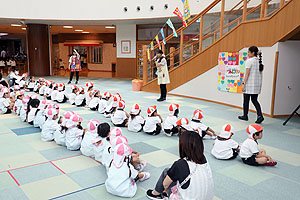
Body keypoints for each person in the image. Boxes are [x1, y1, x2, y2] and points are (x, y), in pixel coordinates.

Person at [146, 130, 214, 200]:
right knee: (175, 174)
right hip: (207, 197)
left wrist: (166, 189)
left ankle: (156, 193)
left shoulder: (180, 164)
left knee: (167, 172)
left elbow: (165, 184)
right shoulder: (203, 158)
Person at [239, 46, 264, 124]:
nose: (248, 53)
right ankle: (260, 116)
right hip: (256, 85)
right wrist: (258, 53)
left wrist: (243, 84)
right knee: (255, 100)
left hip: (249, 84)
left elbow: (247, 73)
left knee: (246, 101)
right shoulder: (258, 61)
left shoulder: (249, 61)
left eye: (249, 52)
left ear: (253, 53)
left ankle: (245, 116)